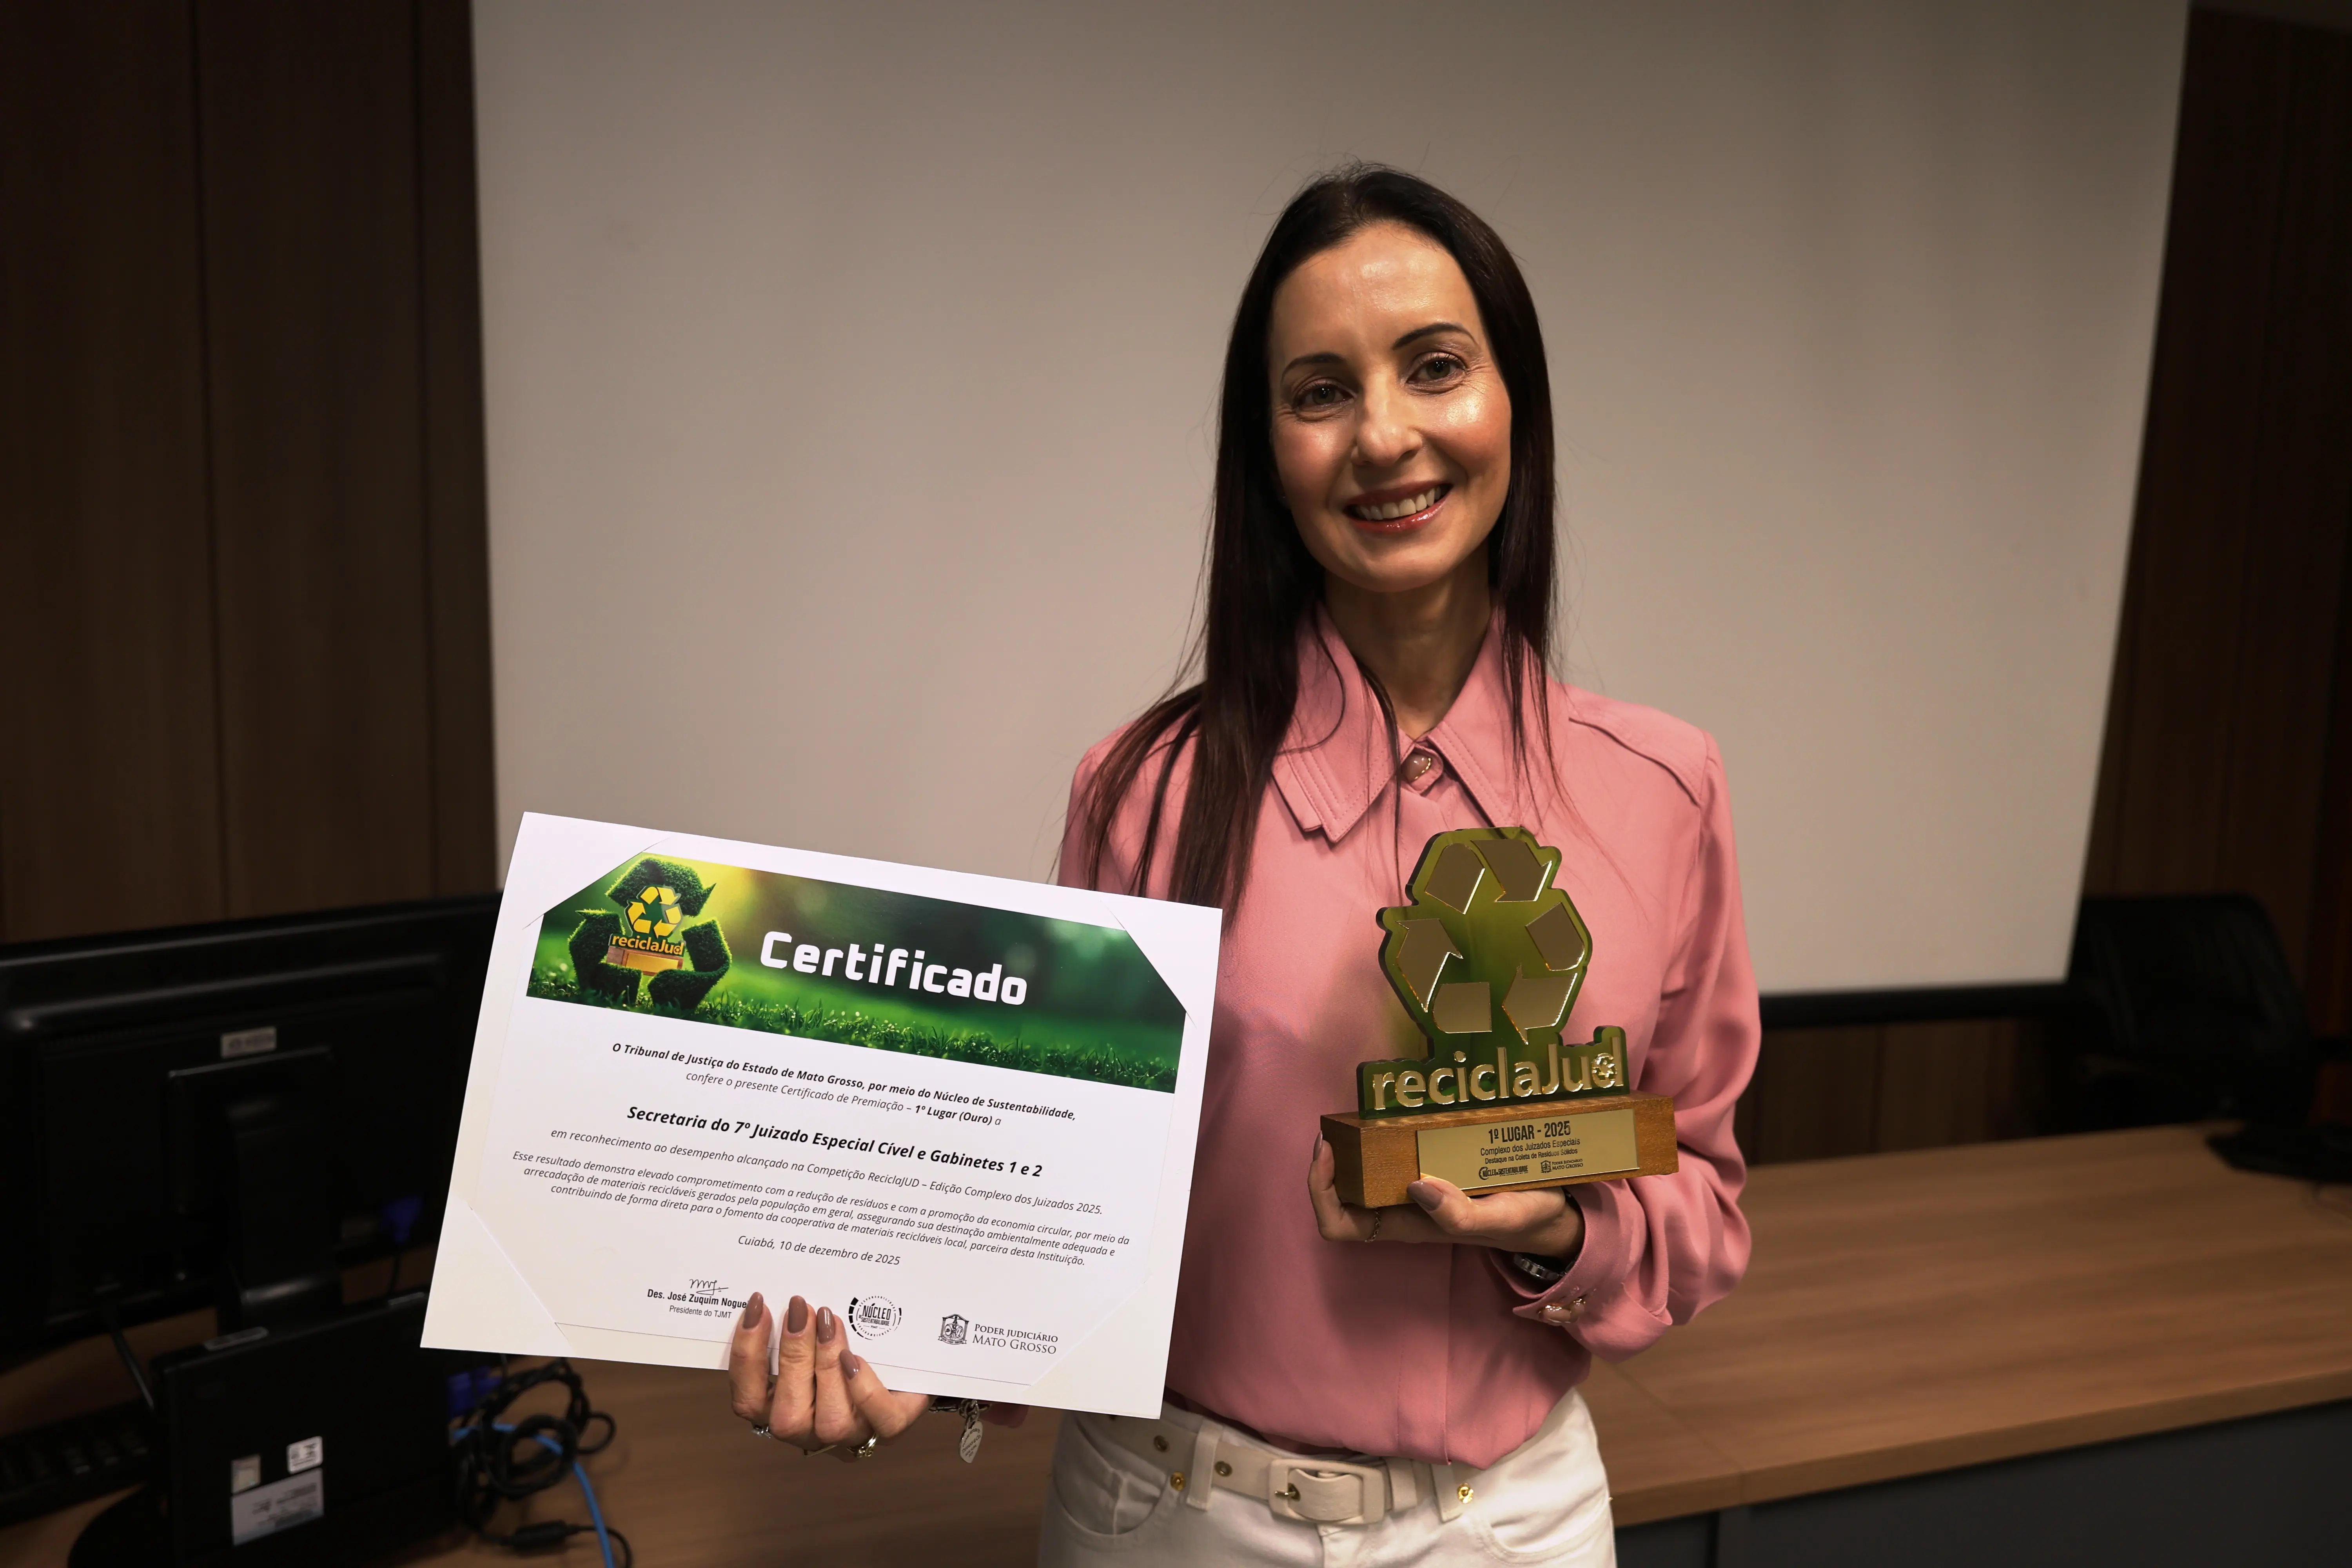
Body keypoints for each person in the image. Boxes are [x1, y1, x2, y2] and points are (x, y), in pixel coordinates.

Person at [726, 165, 1758, 1567]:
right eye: (1320, 391)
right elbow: (1053, 1199)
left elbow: (1702, 1199)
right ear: (1265, 448)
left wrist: (1557, 1233)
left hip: (1517, 1525)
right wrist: (926, 1351)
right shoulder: (1147, 790)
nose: (1385, 436)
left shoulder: (1664, 788)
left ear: (1515, 403)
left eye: (1437, 368)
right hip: (1176, 1516)